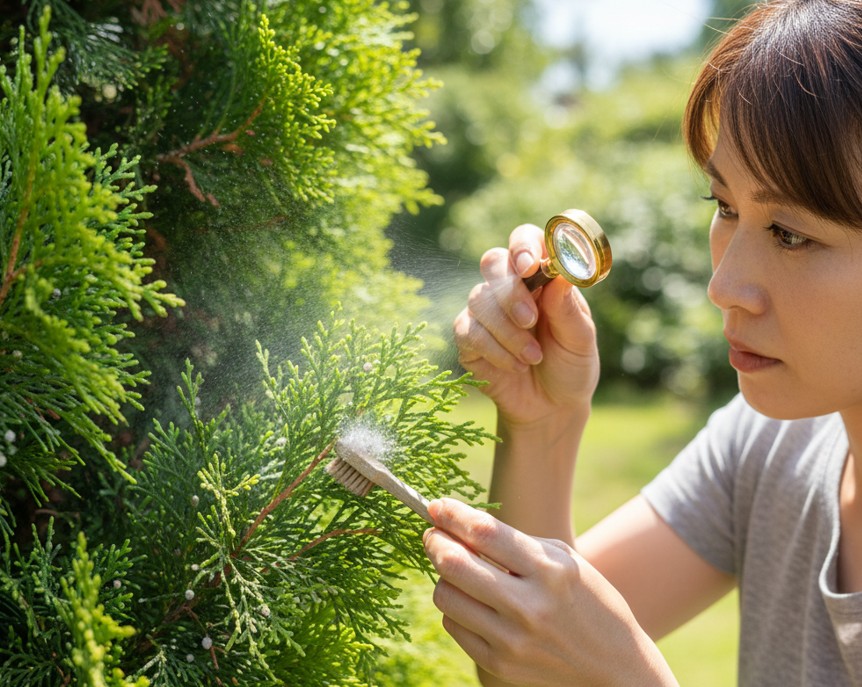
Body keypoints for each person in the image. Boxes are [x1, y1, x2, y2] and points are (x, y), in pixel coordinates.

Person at [422, 1, 862, 685]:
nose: (724, 284)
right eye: (725, 207)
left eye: (791, 233)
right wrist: (542, 423)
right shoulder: (772, 450)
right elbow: (529, 657)